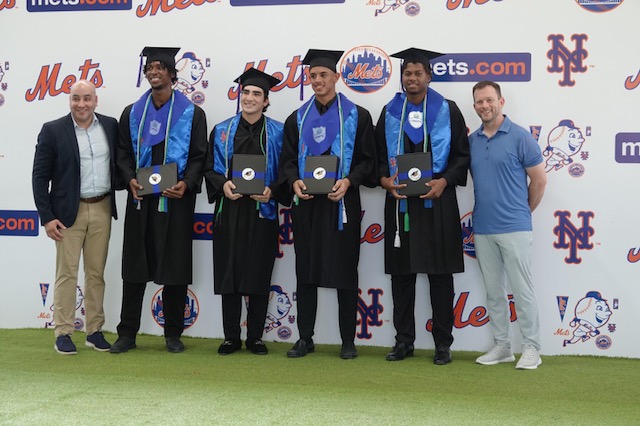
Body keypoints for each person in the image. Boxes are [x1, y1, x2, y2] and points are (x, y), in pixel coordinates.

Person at [278, 49, 376, 359]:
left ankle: (348, 340)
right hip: (307, 204)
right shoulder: (297, 118)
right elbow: (287, 161)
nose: (318, 80)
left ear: (336, 77)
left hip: (341, 204)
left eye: (323, 75)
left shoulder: (358, 116)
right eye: (313, 76)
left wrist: (349, 181)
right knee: (305, 270)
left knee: (345, 270)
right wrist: (294, 181)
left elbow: (368, 161)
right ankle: (305, 338)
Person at [110, 46, 208, 354]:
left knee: (174, 266)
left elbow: (199, 156)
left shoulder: (192, 113)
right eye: (149, 68)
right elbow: (122, 153)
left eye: (159, 67)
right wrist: (129, 178)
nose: (153, 72)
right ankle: (127, 333)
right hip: (141, 200)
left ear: (172, 74)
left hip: (174, 200)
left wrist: (186, 184)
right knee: (135, 265)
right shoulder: (132, 113)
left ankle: (173, 333)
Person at [375, 48, 470, 365]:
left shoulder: (448, 110)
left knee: (440, 276)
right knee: (401, 276)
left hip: (437, 203)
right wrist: (385, 181)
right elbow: (377, 157)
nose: (412, 78)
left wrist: (445, 181)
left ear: (429, 76)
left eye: (418, 73)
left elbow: (462, 155)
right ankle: (404, 341)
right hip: (401, 204)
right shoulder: (390, 112)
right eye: (407, 73)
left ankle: (443, 343)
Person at [32, 80, 120, 355]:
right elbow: (39, 177)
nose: (81, 104)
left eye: (87, 98)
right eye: (76, 98)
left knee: (96, 273)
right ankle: (63, 332)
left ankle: (94, 331)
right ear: (69, 100)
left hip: (102, 207)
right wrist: (47, 217)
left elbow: (120, 163)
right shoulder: (53, 130)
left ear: (95, 101)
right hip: (67, 213)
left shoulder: (110, 126)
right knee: (67, 273)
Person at [205, 68, 286, 355]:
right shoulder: (222, 130)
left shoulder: (278, 132)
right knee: (229, 273)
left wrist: (272, 190)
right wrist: (223, 185)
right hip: (230, 210)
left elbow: (287, 170)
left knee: (259, 272)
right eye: (246, 92)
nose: (249, 98)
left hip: (262, 212)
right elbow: (209, 168)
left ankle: (255, 337)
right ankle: (231, 337)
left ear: (266, 100)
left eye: (256, 94)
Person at [469, 80, 546, 370]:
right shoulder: (472, 141)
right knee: (494, 292)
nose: (485, 106)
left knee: (522, 290)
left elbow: (539, 180)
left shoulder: (521, 137)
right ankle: (502, 346)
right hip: (483, 228)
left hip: (515, 227)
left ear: (501, 102)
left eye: (490, 100)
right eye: (479, 101)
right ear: (474, 106)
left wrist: (523, 212)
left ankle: (532, 348)